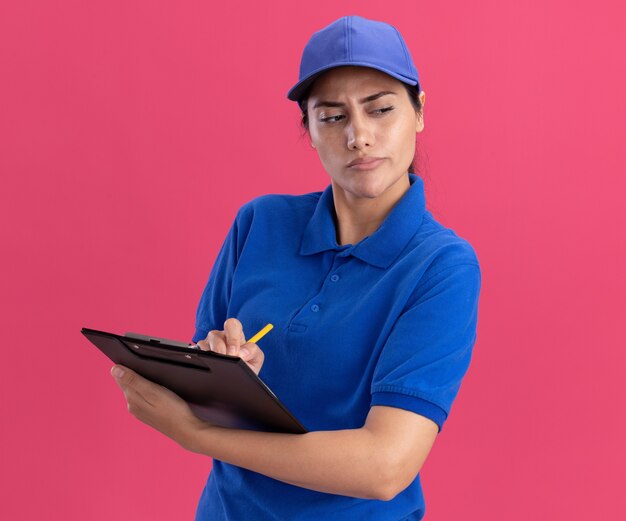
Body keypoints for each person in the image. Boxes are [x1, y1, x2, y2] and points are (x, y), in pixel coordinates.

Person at [111, 15, 482, 521]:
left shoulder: (441, 267)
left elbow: (384, 466)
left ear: (419, 111)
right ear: (307, 129)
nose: (359, 136)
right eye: (332, 117)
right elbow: (202, 384)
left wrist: (200, 436)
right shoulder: (260, 223)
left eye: (381, 110)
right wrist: (227, 374)